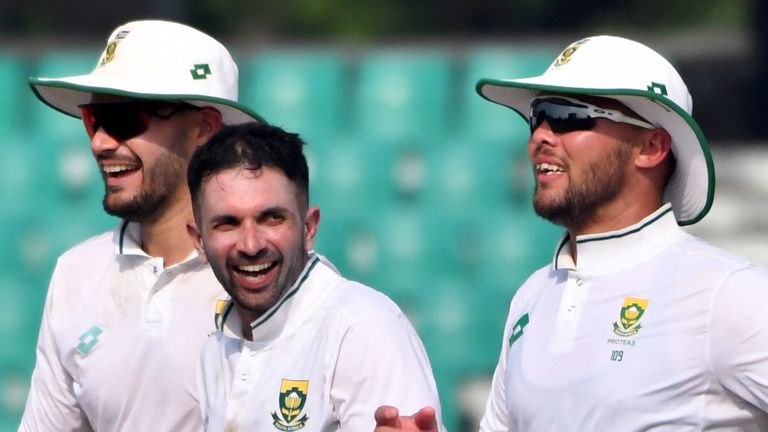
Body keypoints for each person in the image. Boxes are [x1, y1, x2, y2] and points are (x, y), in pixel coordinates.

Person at [375, 35, 768, 431]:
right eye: (537, 116)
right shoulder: (533, 295)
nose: (539, 137)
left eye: (567, 116)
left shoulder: (730, 294)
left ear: (651, 147)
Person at [20, 20, 265, 431]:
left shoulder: (275, 276)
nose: (99, 142)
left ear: (203, 127)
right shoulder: (75, 274)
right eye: (93, 119)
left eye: (122, 118)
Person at [185, 122, 445, 431]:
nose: (251, 245)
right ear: (199, 240)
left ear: (309, 228)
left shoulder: (363, 328)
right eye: (227, 224)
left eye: (271, 218)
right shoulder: (215, 344)